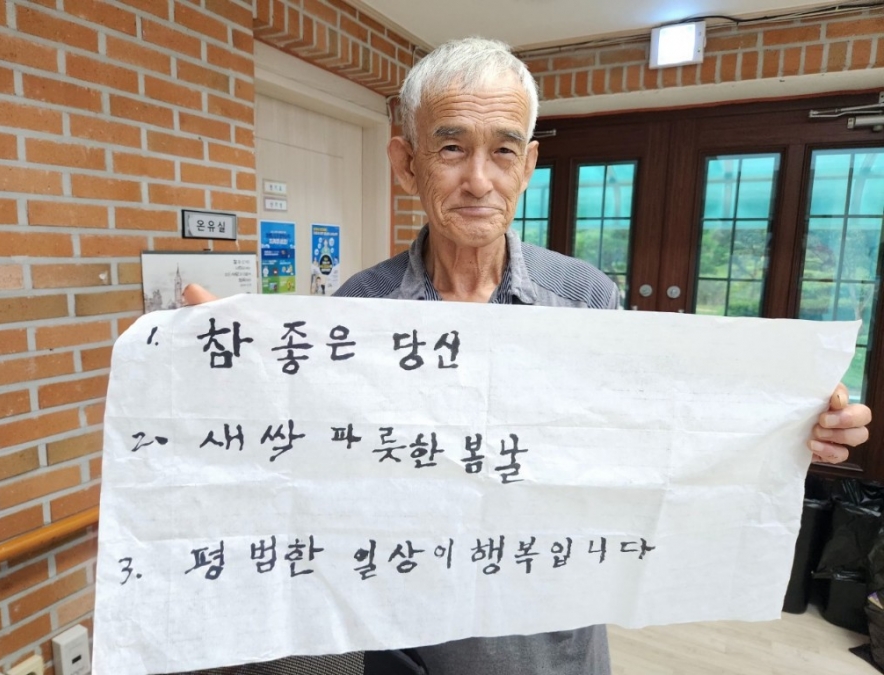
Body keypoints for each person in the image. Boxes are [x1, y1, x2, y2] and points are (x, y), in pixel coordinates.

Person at [184, 36, 872, 675]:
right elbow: (317, 464)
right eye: (451, 148)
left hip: (554, 642)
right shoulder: (357, 311)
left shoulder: (585, 298)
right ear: (406, 162)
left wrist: (785, 428)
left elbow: (652, 439)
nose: (479, 180)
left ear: (529, 165)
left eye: (504, 151)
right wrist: (238, 380)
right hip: (409, 639)